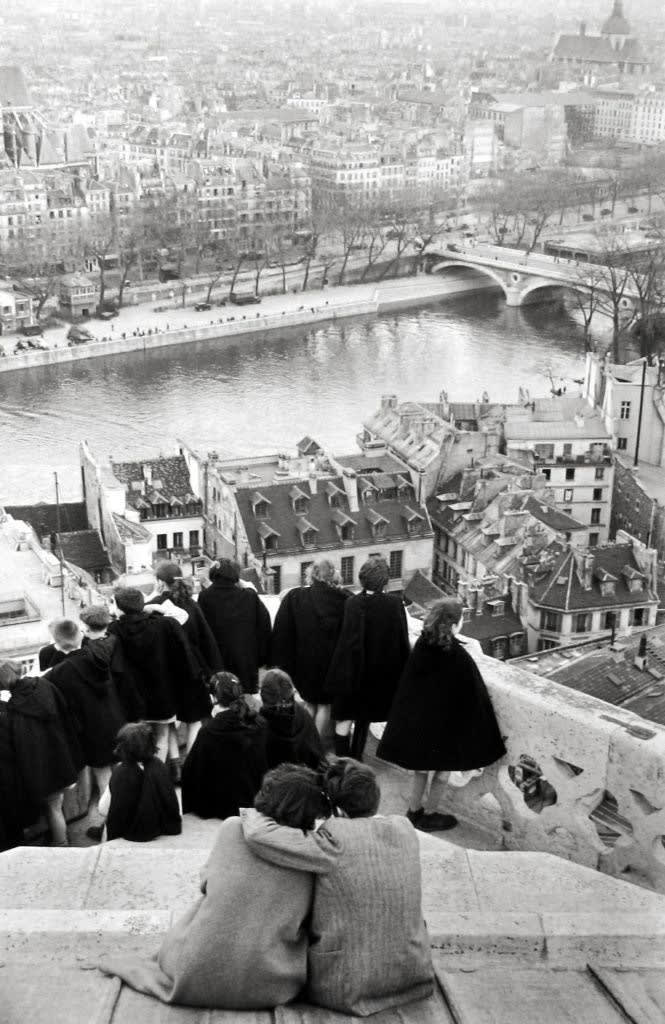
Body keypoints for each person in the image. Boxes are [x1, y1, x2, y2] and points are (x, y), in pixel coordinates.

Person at [98, 764, 341, 1009]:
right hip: (273, 985)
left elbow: (206, 883)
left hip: (192, 971)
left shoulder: (232, 828)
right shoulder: (314, 856)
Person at [243, 758, 434, 1016]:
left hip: (346, 988)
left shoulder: (332, 840)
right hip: (413, 974)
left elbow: (257, 835)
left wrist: (261, 805)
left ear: (339, 811)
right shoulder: (405, 828)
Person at [377, 598, 506, 832]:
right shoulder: (458, 656)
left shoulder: (422, 645)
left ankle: (413, 811)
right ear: (455, 625)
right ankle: (430, 814)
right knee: (442, 774)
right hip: (445, 726)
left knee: (421, 771)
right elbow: (474, 695)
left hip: (420, 724)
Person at [325, 558, 410, 760]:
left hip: (350, 671)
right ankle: (356, 758)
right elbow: (401, 640)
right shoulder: (394, 604)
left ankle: (344, 763)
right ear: (384, 581)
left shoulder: (352, 602)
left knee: (344, 719)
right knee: (365, 718)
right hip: (377, 673)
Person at [108, 587, 198, 766]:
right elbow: (182, 616)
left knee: (136, 739)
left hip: (132, 696)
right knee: (162, 736)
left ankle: (142, 774)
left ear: (119, 608)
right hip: (162, 691)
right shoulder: (162, 624)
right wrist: (154, 608)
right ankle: (157, 772)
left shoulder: (114, 630)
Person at [0, 660, 81, 846]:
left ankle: (61, 843)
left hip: (43, 769)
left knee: (53, 809)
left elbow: (21, 747)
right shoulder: (45, 685)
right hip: (63, 759)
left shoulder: (14, 708)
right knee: (57, 806)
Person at [146, 562, 220, 765]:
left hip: (165, 670)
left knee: (168, 722)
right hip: (192, 668)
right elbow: (206, 639)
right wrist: (213, 669)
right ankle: (191, 763)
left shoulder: (154, 605)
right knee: (195, 719)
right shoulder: (190, 604)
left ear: (160, 582)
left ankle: (176, 765)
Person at [45, 619, 125, 800]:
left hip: (92, 731)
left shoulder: (59, 672)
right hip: (116, 719)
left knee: (104, 779)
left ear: (57, 643)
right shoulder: (99, 654)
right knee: (122, 771)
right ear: (80, 634)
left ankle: (112, 823)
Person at [270, 559, 349, 735]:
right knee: (324, 706)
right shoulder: (345, 599)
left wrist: (281, 661)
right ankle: (317, 745)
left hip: (304, 660)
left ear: (311, 575)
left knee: (309, 703)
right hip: (331, 663)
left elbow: (283, 630)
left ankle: (303, 740)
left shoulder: (295, 597)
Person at [181, 673, 268, 820]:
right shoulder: (257, 722)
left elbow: (192, 771)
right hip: (252, 799)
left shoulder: (209, 731)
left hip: (220, 805)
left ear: (213, 698)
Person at [197, 559, 271, 693]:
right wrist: (261, 656)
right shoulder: (249, 596)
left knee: (223, 697)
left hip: (217, 659)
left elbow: (201, 629)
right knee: (246, 698)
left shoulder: (205, 597)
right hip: (245, 658)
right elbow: (264, 626)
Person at [101, 723, 182, 843]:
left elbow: (105, 809)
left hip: (133, 829)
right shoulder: (159, 765)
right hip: (160, 823)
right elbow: (170, 799)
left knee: (105, 816)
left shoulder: (122, 771)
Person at [259, 669, 323, 771]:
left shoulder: (258, 726)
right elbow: (317, 756)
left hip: (275, 782)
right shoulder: (303, 715)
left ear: (263, 694)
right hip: (308, 779)